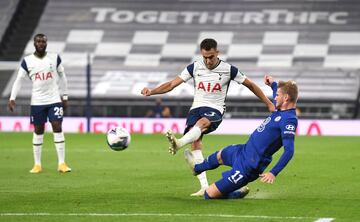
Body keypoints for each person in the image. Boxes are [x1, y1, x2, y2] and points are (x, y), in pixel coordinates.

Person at [141, 38, 274, 196]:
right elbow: (171, 84)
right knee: (196, 143)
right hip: (196, 108)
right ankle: (204, 186)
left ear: (217, 53)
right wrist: (152, 91)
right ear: (201, 54)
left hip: (214, 109)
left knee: (201, 123)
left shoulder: (228, 69)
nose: (208, 60)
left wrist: (268, 103)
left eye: (211, 56)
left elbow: (250, 85)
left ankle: (179, 142)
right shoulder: (195, 67)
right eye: (205, 57)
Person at [184, 75, 298, 199]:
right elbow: (277, 90)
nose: (275, 98)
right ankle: (197, 168)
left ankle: (236, 193)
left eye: (277, 96)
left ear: (286, 98)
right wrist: (272, 83)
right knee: (220, 155)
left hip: (248, 167)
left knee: (209, 194)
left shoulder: (289, 120)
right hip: (243, 150)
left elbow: (289, 150)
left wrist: (273, 172)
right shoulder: (281, 107)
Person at [8, 33, 71, 173]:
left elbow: (63, 77)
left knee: (57, 126)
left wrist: (65, 96)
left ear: (46, 43)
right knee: (38, 130)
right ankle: (37, 165)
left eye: (43, 41)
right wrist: (12, 98)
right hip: (37, 101)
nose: (41, 43)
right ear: (34, 44)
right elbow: (19, 80)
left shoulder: (54, 57)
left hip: (54, 99)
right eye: (38, 41)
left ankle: (62, 163)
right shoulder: (27, 61)